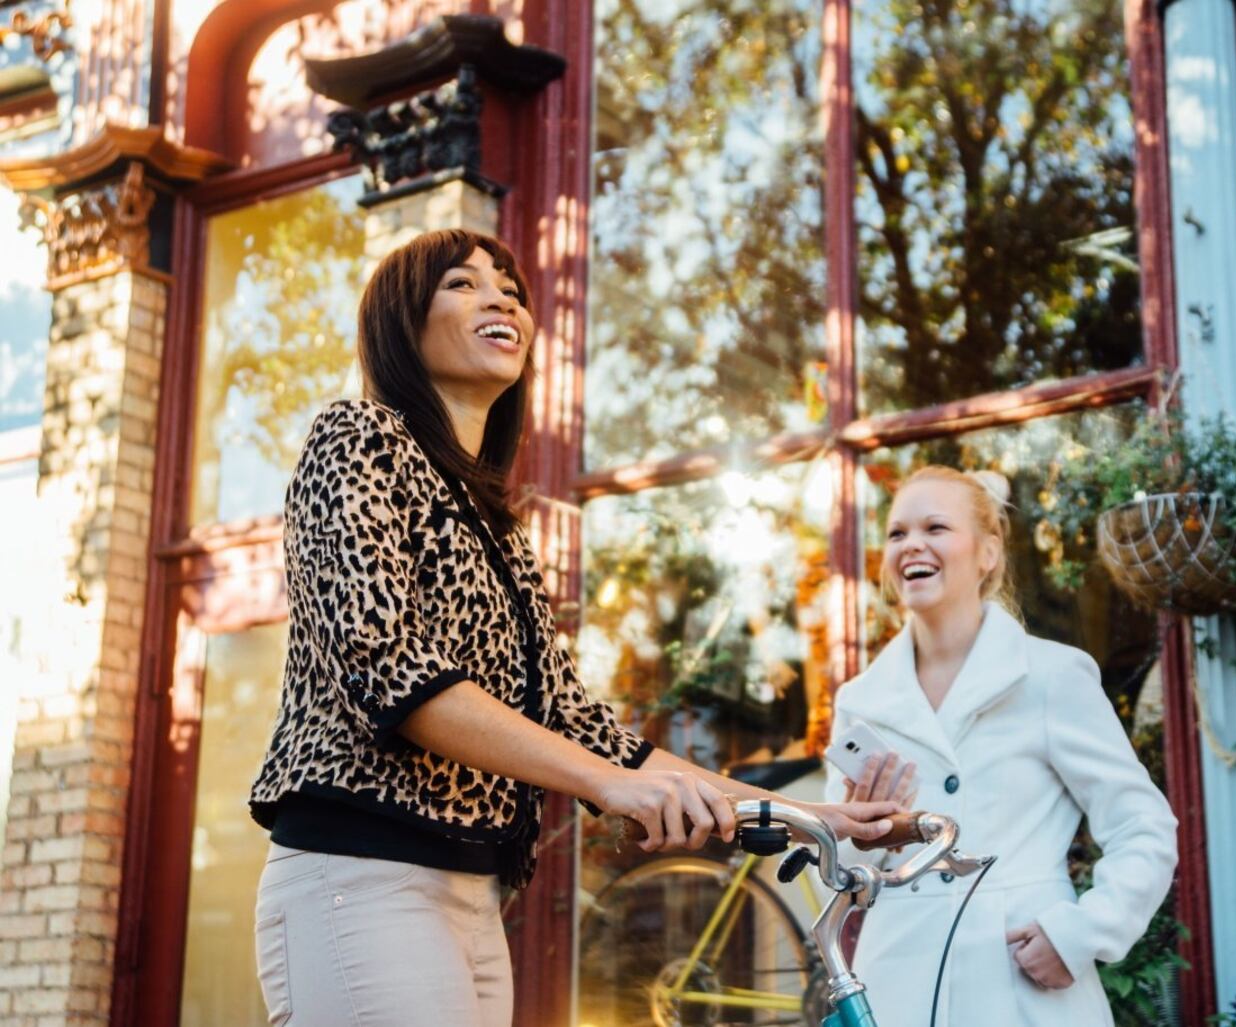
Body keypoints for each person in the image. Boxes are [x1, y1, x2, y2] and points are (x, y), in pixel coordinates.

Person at [248, 229, 901, 1026]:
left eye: (510, 289)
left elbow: (583, 727)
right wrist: (607, 784)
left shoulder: (496, 526)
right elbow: (389, 670)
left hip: (474, 896)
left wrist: (810, 819)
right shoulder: (356, 438)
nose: (501, 297)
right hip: (361, 875)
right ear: (401, 323)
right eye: (463, 283)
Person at [824, 466, 1178, 1026]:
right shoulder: (861, 700)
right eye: (896, 533)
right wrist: (859, 831)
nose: (912, 544)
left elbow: (1143, 827)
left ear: (988, 552)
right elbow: (840, 869)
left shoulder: (1051, 676)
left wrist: (1080, 934)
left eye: (935, 527)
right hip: (898, 978)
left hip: (1021, 979)